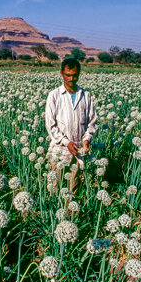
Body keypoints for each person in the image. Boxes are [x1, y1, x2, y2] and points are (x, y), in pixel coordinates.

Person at [45, 58, 97, 194]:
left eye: (75, 75)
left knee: (73, 190)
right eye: (68, 75)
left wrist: (87, 140)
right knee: (54, 189)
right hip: (59, 151)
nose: (71, 78)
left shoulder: (86, 95)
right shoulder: (54, 95)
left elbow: (91, 122)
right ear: (62, 74)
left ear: (79, 74)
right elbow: (51, 126)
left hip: (78, 151)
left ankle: (70, 214)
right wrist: (66, 142)